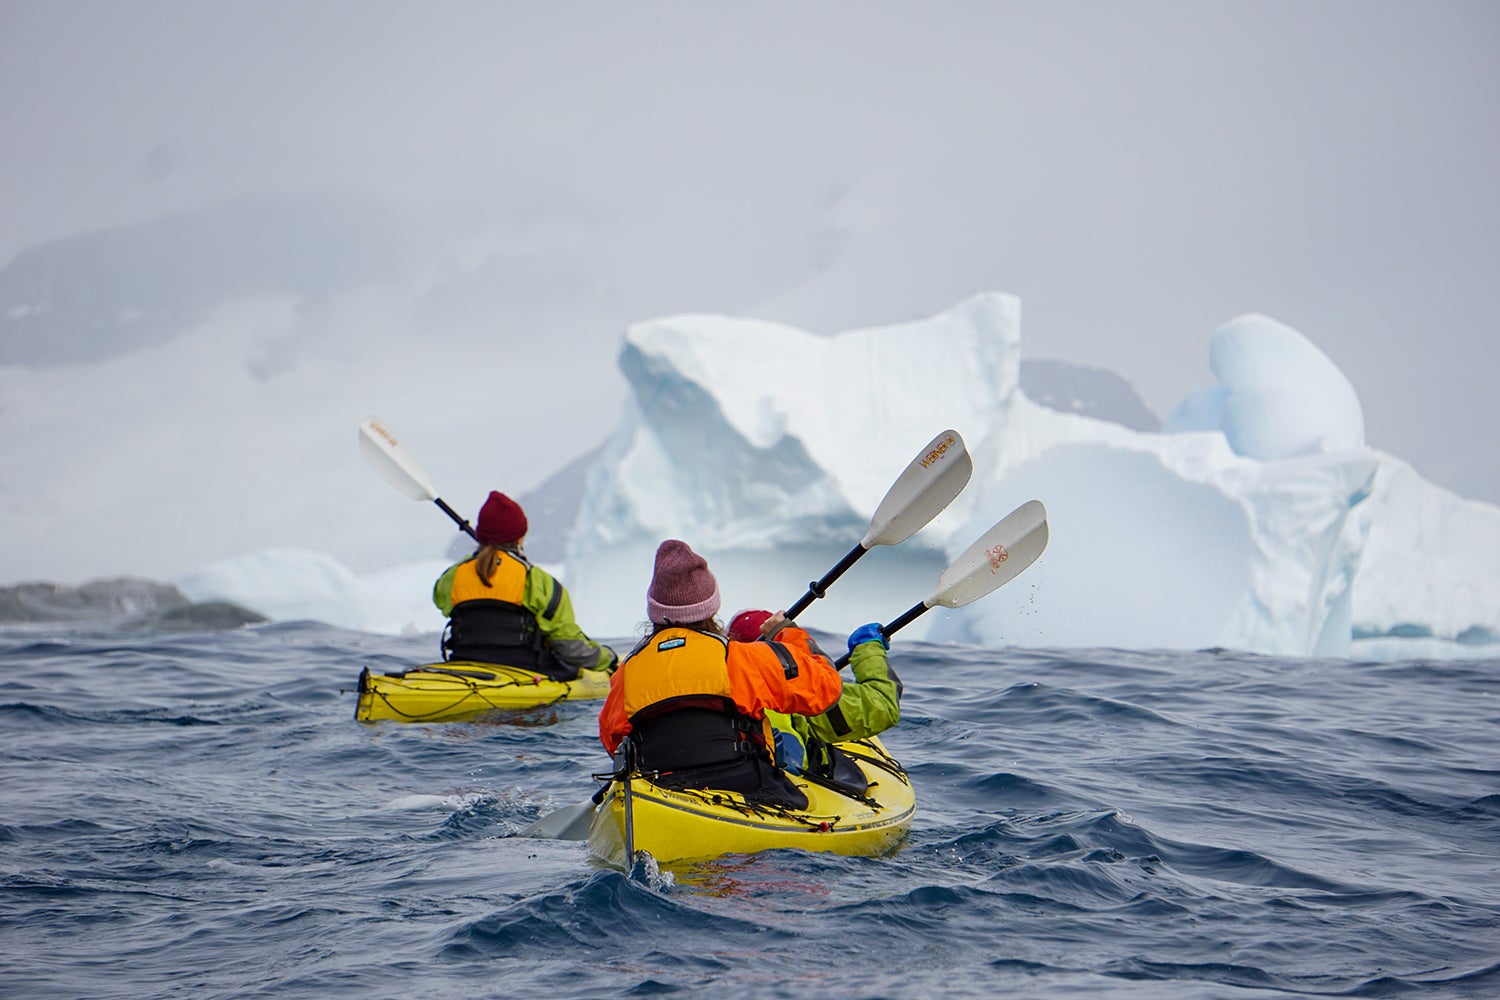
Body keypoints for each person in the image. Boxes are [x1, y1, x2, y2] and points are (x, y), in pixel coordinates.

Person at [598, 539, 843, 809]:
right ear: (711, 610)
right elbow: (826, 689)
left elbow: (614, 741)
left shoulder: (627, 671)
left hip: (662, 790)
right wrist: (785, 633)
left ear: (656, 611)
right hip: (749, 788)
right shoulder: (741, 658)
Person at [432, 491, 617, 681]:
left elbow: (442, 602)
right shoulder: (539, 582)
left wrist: (474, 562)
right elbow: (569, 647)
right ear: (520, 538)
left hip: (462, 666)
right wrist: (608, 659)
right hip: (525, 672)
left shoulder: (452, 577)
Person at [728, 609, 901, 796]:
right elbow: (882, 706)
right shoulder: (808, 693)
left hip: (722, 779)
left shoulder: (708, 683)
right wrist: (868, 648)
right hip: (786, 789)